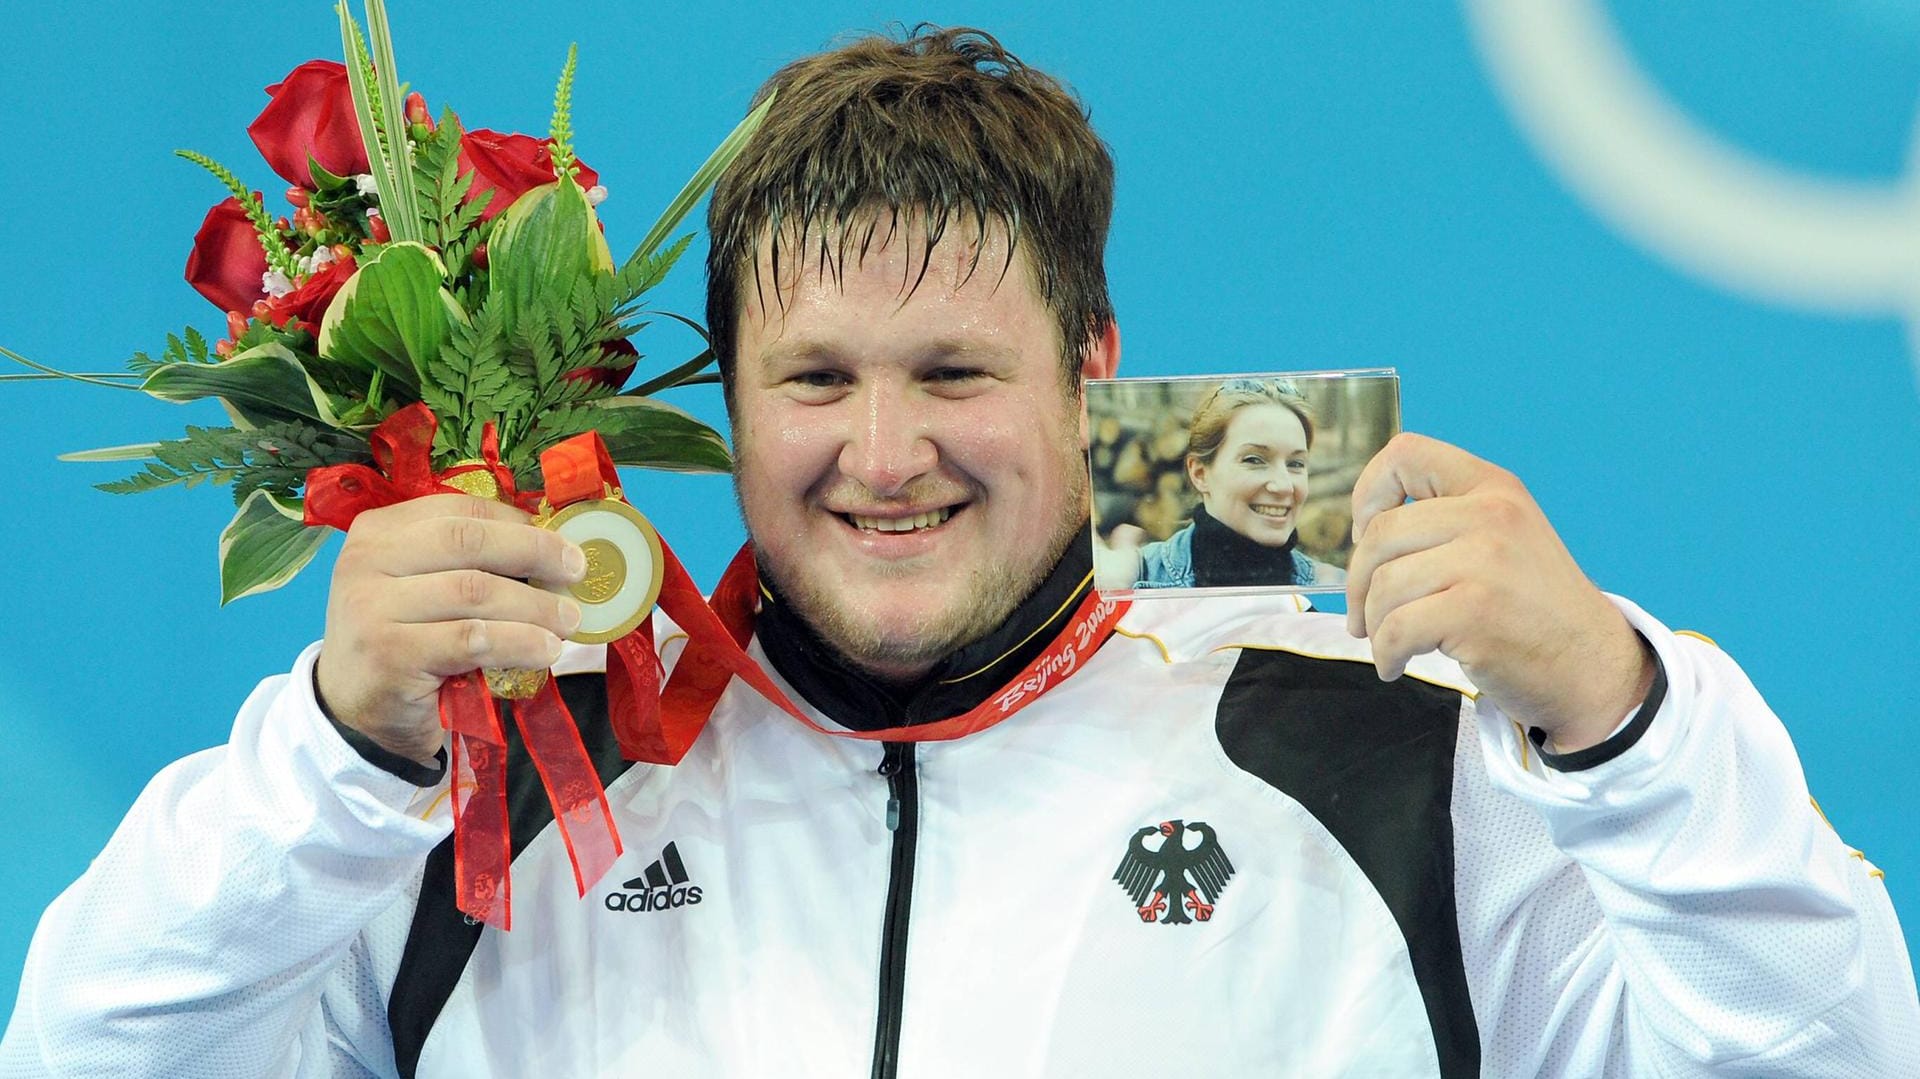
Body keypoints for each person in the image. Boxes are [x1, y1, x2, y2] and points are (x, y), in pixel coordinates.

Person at [4, 25, 1918, 1079]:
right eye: (816, 375)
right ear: (725, 403)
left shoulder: (1379, 750)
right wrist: (338, 750)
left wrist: (1623, 716)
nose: (887, 451)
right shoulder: (513, 794)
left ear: (1094, 369)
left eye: (956, 371)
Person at [1124, 377, 1347, 590]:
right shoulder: (1136, 578)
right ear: (1200, 474)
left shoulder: (1336, 587)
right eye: (1254, 460)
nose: (1285, 486)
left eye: (1296, 463)